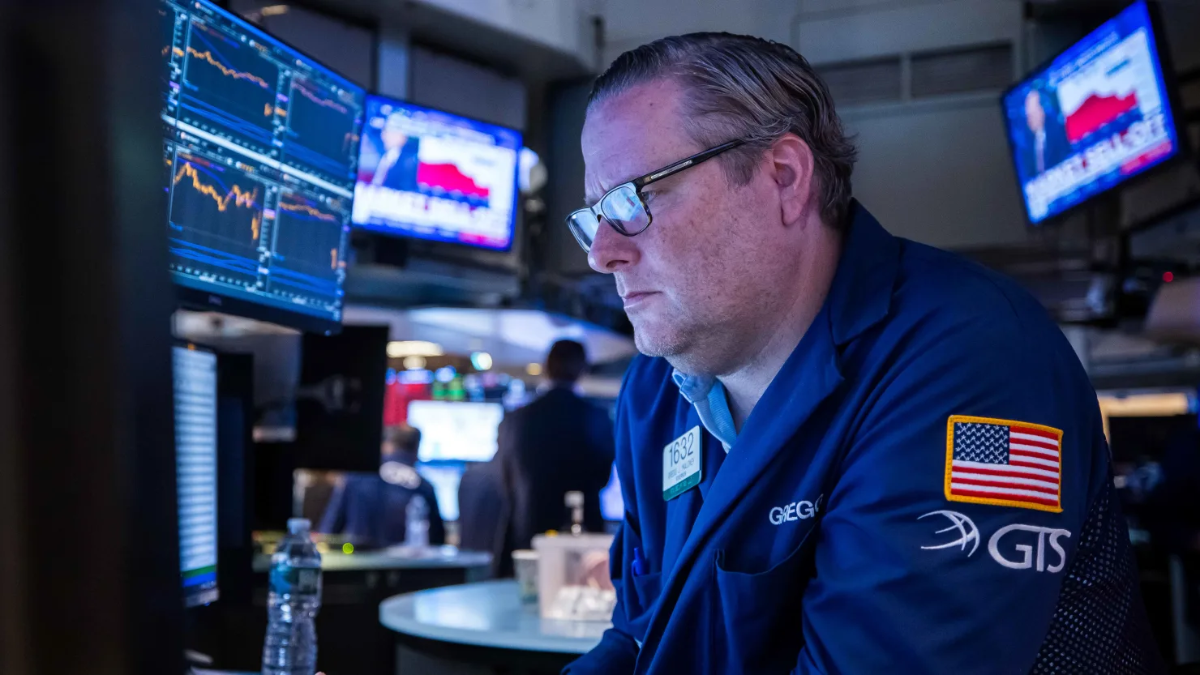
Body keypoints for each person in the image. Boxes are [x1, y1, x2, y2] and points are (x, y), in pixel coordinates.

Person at [563, 33, 1161, 674]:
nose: (601, 253)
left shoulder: (971, 360)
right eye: (594, 215)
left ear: (783, 178)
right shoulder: (655, 391)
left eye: (634, 199)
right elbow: (639, 635)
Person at [494, 339, 616, 577]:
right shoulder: (596, 417)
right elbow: (603, 476)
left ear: (545, 367)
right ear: (583, 369)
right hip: (584, 537)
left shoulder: (517, 420)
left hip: (529, 531)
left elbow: (507, 480)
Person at [319, 423, 445, 549]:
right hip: (404, 560)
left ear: (387, 445)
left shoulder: (357, 475)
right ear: (416, 449)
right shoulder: (424, 487)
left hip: (358, 557)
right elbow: (437, 540)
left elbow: (330, 529)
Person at [1020, 86, 1072, 178]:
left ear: (1042, 111)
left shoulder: (1057, 131)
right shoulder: (1028, 143)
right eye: (1028, 116)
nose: (1029, 120)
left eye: (1032, 115)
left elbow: (1066, 159)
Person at [370, 112, 421, 192]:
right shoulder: (379, 152)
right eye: (385, 130)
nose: (383, 135)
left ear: (403, 136)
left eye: (390, 131)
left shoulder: (409, 163)